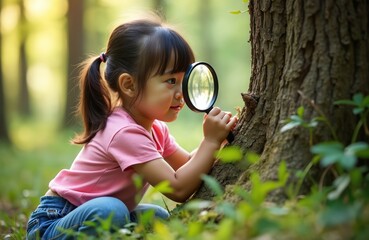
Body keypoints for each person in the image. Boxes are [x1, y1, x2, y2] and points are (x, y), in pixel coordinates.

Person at [26, 15, 238, 239]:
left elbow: (187, 167)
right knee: (111, 211)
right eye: (170, 81)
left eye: (184, 79)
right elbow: (178, 188)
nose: (180, 93)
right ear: (129, 85)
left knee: (158, 218)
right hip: (53, 222)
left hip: (94, 212)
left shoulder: (155, 129)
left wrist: (218, 141)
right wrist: (210, 142)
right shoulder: (123, 132)